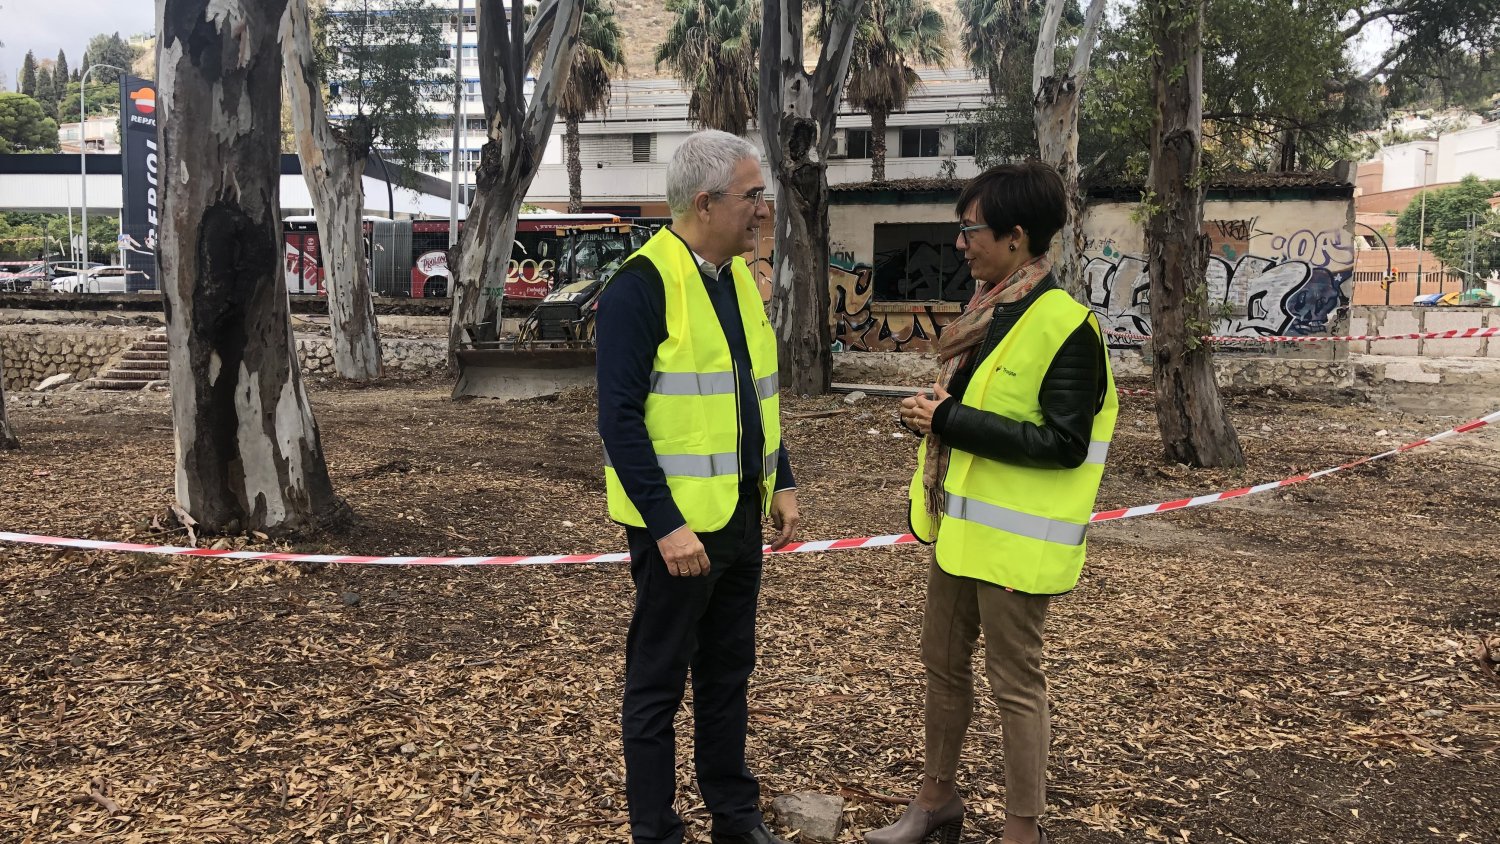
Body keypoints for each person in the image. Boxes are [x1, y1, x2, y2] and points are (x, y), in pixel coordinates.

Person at [873, 161, 1118, 844]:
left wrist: (949, 422)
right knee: (942, 668)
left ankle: (1021, 829)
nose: (960, 243)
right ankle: (936, 801)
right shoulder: (987, 314)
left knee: (1017, 685)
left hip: (1017, 544)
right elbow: (973, 409)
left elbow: (1064, 442)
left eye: (969, 229)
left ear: (1015, 237)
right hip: (959, 532)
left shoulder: (1065, 326)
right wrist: (930, 416)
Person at [596, 129, 800, 844]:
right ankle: (656, 831)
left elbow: (756, 395)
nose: (762, 212)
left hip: (741, 519)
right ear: (707, 203)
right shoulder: (640, 286)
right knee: (656, 685)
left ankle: (734, 820)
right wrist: (665, 524)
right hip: (678, 532)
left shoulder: (736, 279)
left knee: (726, 677)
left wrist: (782, 479)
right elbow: (618, 421)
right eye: (752, 197)